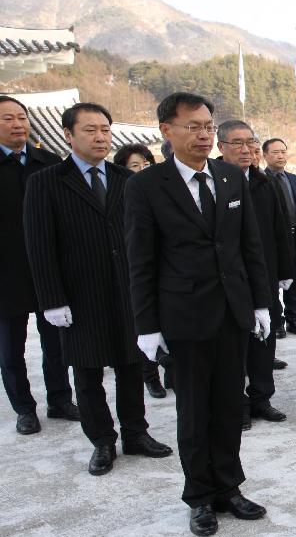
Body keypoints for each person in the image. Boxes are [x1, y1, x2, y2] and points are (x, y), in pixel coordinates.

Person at [125, 92, 273, 537]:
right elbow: (141, 261)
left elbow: (250, 246)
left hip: (232, 313)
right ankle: (199, 496)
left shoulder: (231, 177)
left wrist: (261, 303)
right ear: (166, 131)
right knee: (194, 411)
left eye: (208, 126)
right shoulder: (146, 186)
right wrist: (146, 325)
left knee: (230, 406)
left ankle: (229, 486)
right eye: (193, 126)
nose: (204, 134)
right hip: (183, 317)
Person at [23, 103, 173, 475]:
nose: (100, 136)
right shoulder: (46, 182)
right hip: (78, 294)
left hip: (127, 290)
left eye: (105, 129)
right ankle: (102, 440)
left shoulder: (128, 179)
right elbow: (39, 245)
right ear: (69, 135)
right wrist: (52, 300)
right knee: (87, 372)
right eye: (90, 130)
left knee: (131, 365)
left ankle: (136, 434)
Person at [0, 95, 77, 435]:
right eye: (8, 119)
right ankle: (24, 408)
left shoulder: (48, 162)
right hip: (5, 273)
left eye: (22, 117)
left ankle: (60, 399)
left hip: (47, 269)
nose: (18, 124)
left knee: (56, 342)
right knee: (10, 347)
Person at [216, 121, 293, 427]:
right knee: (234, 345)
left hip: (264, 275)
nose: (246, 149)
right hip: (228, 278)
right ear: (220, 147)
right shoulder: (213, 182)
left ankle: (262, 397)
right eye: (237, 143)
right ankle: (238, 404)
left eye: (250, 143)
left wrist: (286, 270)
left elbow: (280, 230)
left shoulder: (265, 183)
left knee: (264, 341)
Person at [114, 144, 170, 399]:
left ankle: (170, 369)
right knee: (145, 326)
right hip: (132, 268)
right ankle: (150, 375)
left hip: (163, 269)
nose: (141, 170)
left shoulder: (160, 190)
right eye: (134, 166)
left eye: (146, 165)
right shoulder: (121, 191)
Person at [262, 137, 296, 337]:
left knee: (295, 280)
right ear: (264, 155)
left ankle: (293, 319)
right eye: (275, 152)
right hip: (275, 240)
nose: (280, 156)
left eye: (283, 152)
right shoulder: (261, 181)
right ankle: (277, 321)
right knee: (274, 281)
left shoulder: (295, 179)